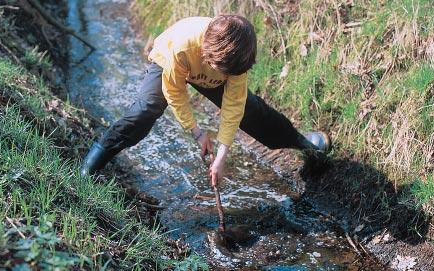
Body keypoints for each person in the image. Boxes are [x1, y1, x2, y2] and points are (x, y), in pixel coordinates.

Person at [80, 15, 330, 186]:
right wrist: (197, 132)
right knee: (146, 109)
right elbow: (175, 93)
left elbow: (233, 108)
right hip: (173, 62)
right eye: (223, 72)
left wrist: (222, 154)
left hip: (210, 61)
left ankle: (300, 140)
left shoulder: (237, 57)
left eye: (230, 74)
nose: (226, 77)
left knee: (251, 110)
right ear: (209, 57)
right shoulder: (180, 48)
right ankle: (93, 164)